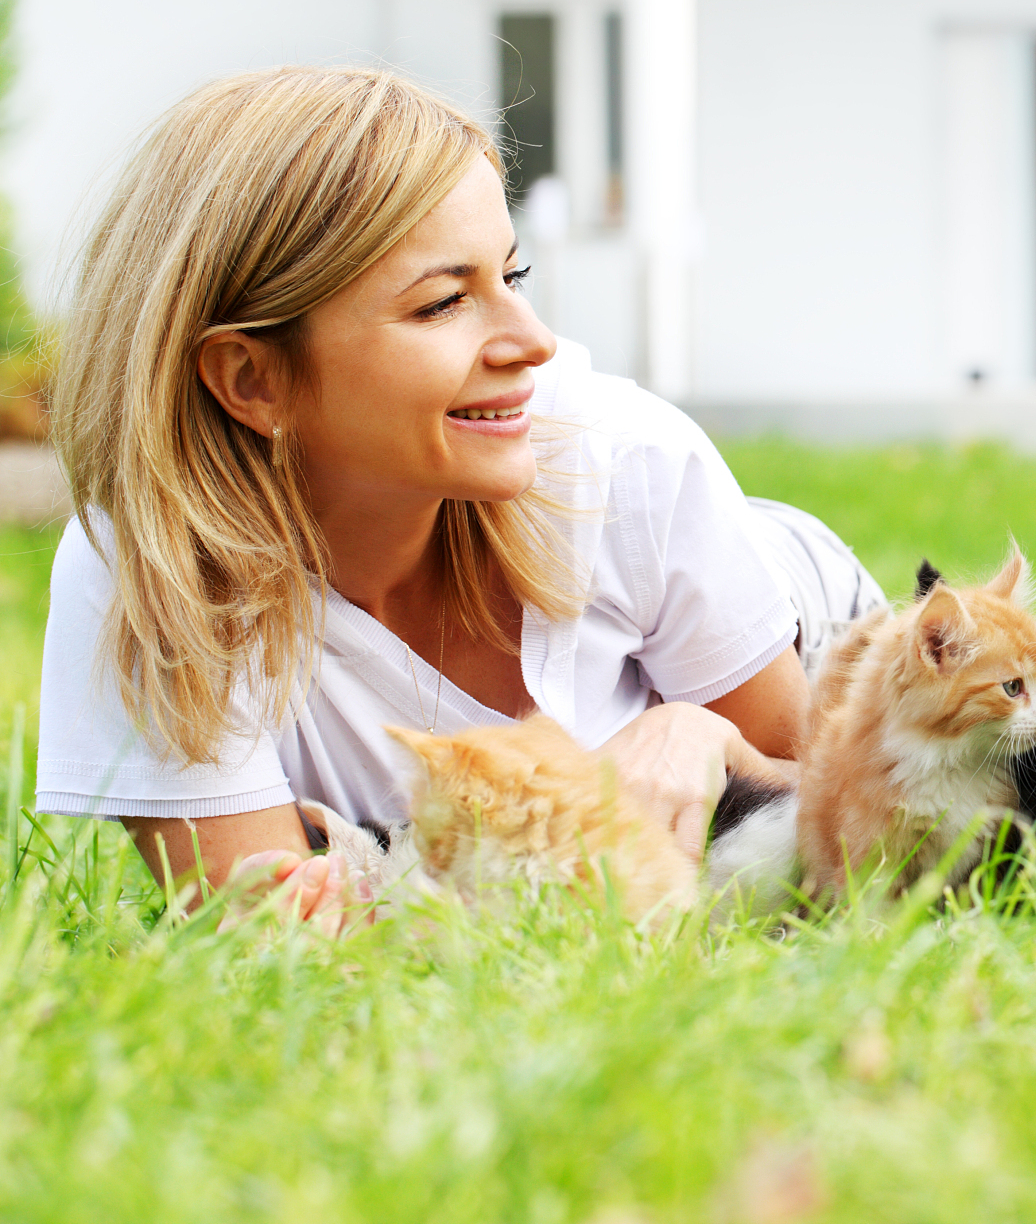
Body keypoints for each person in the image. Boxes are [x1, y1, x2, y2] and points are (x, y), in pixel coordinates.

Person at [36, 66, 880, 929]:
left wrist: (712, 737)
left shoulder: (629, 463)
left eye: (512, 277)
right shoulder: (154, 580)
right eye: (443, 303)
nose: (535, 341)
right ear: (252, 377)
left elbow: (841, 796)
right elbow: (273, 933)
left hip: (801, 605)